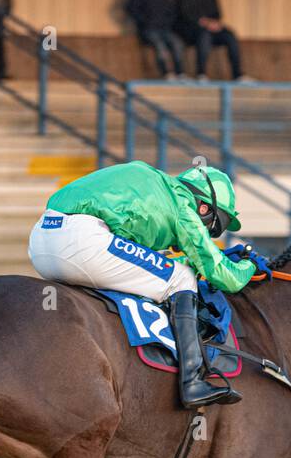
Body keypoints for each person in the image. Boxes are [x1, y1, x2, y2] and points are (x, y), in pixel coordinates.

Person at [28, 160, 266, 407]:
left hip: (41, 240)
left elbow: (147, 259)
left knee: (169, 270)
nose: (209, 233)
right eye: (215, 226)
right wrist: (250, 266)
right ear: (204, 207)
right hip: (81, 242)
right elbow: (224, 277)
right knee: (181, 278)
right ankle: (192, 382)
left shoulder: (156, 186)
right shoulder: (183, 207)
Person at [175, 0, 250, 82]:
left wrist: (215, 23)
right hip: (192, 31)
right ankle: (201, 74)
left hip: (211, 29)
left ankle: (238, 75)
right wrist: (205, 23)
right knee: (205, 36)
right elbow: (185, 15)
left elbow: (217, 14)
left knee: (230, 35)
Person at [127, 0, 185, 80]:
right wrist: (144, 22)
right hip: (148, 29)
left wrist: (168, 22)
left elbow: (173, 11)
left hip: (165, 29)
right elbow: (131, 8)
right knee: (160, 46)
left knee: (177, 44)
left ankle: (180, 73)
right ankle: (166, 73)